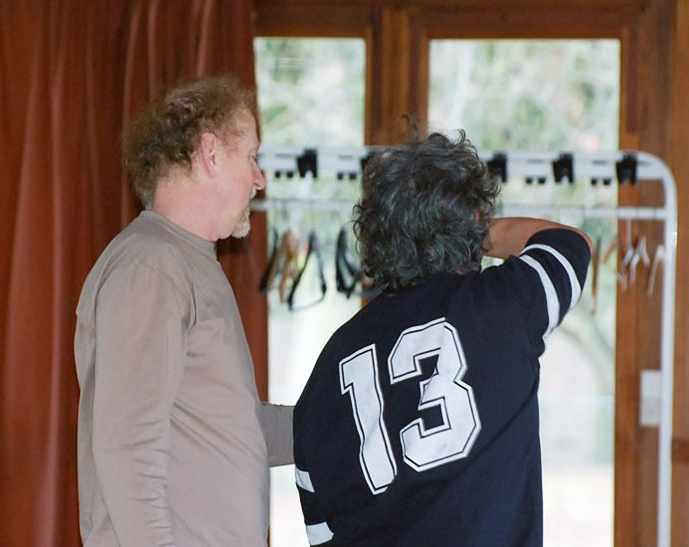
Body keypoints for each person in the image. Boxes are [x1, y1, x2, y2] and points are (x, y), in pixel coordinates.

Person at [292, 130, 592, 546]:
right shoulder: (501, 306)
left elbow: (321, 534)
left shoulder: (328, 367)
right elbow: (570, 245)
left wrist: (422, 235)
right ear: (473, 221)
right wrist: (476, 235)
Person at [74, 76, 293, 546]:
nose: (259, 179)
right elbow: (127, 448)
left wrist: (344, 422)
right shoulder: (152, 267)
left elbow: (233, 427)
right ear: (211, 152)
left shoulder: (185, 262)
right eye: (251, 156)